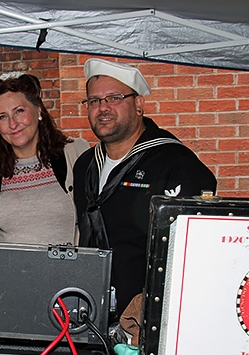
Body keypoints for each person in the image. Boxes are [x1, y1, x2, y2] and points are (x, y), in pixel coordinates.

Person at [73, 58, 217, 318]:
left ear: (139, 104)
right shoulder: (85, 165)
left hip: (151, 317)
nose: (102, 108)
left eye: (114, 98)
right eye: (94, 101)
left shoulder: (175, 163)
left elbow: (193, 253)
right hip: (91, 311)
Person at [0, 73, 89, 245]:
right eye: (2, 116)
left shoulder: (76, 153)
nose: (12, 124)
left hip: (65, 270)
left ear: (38, 110)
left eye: (19, 111)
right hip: (6, 271)